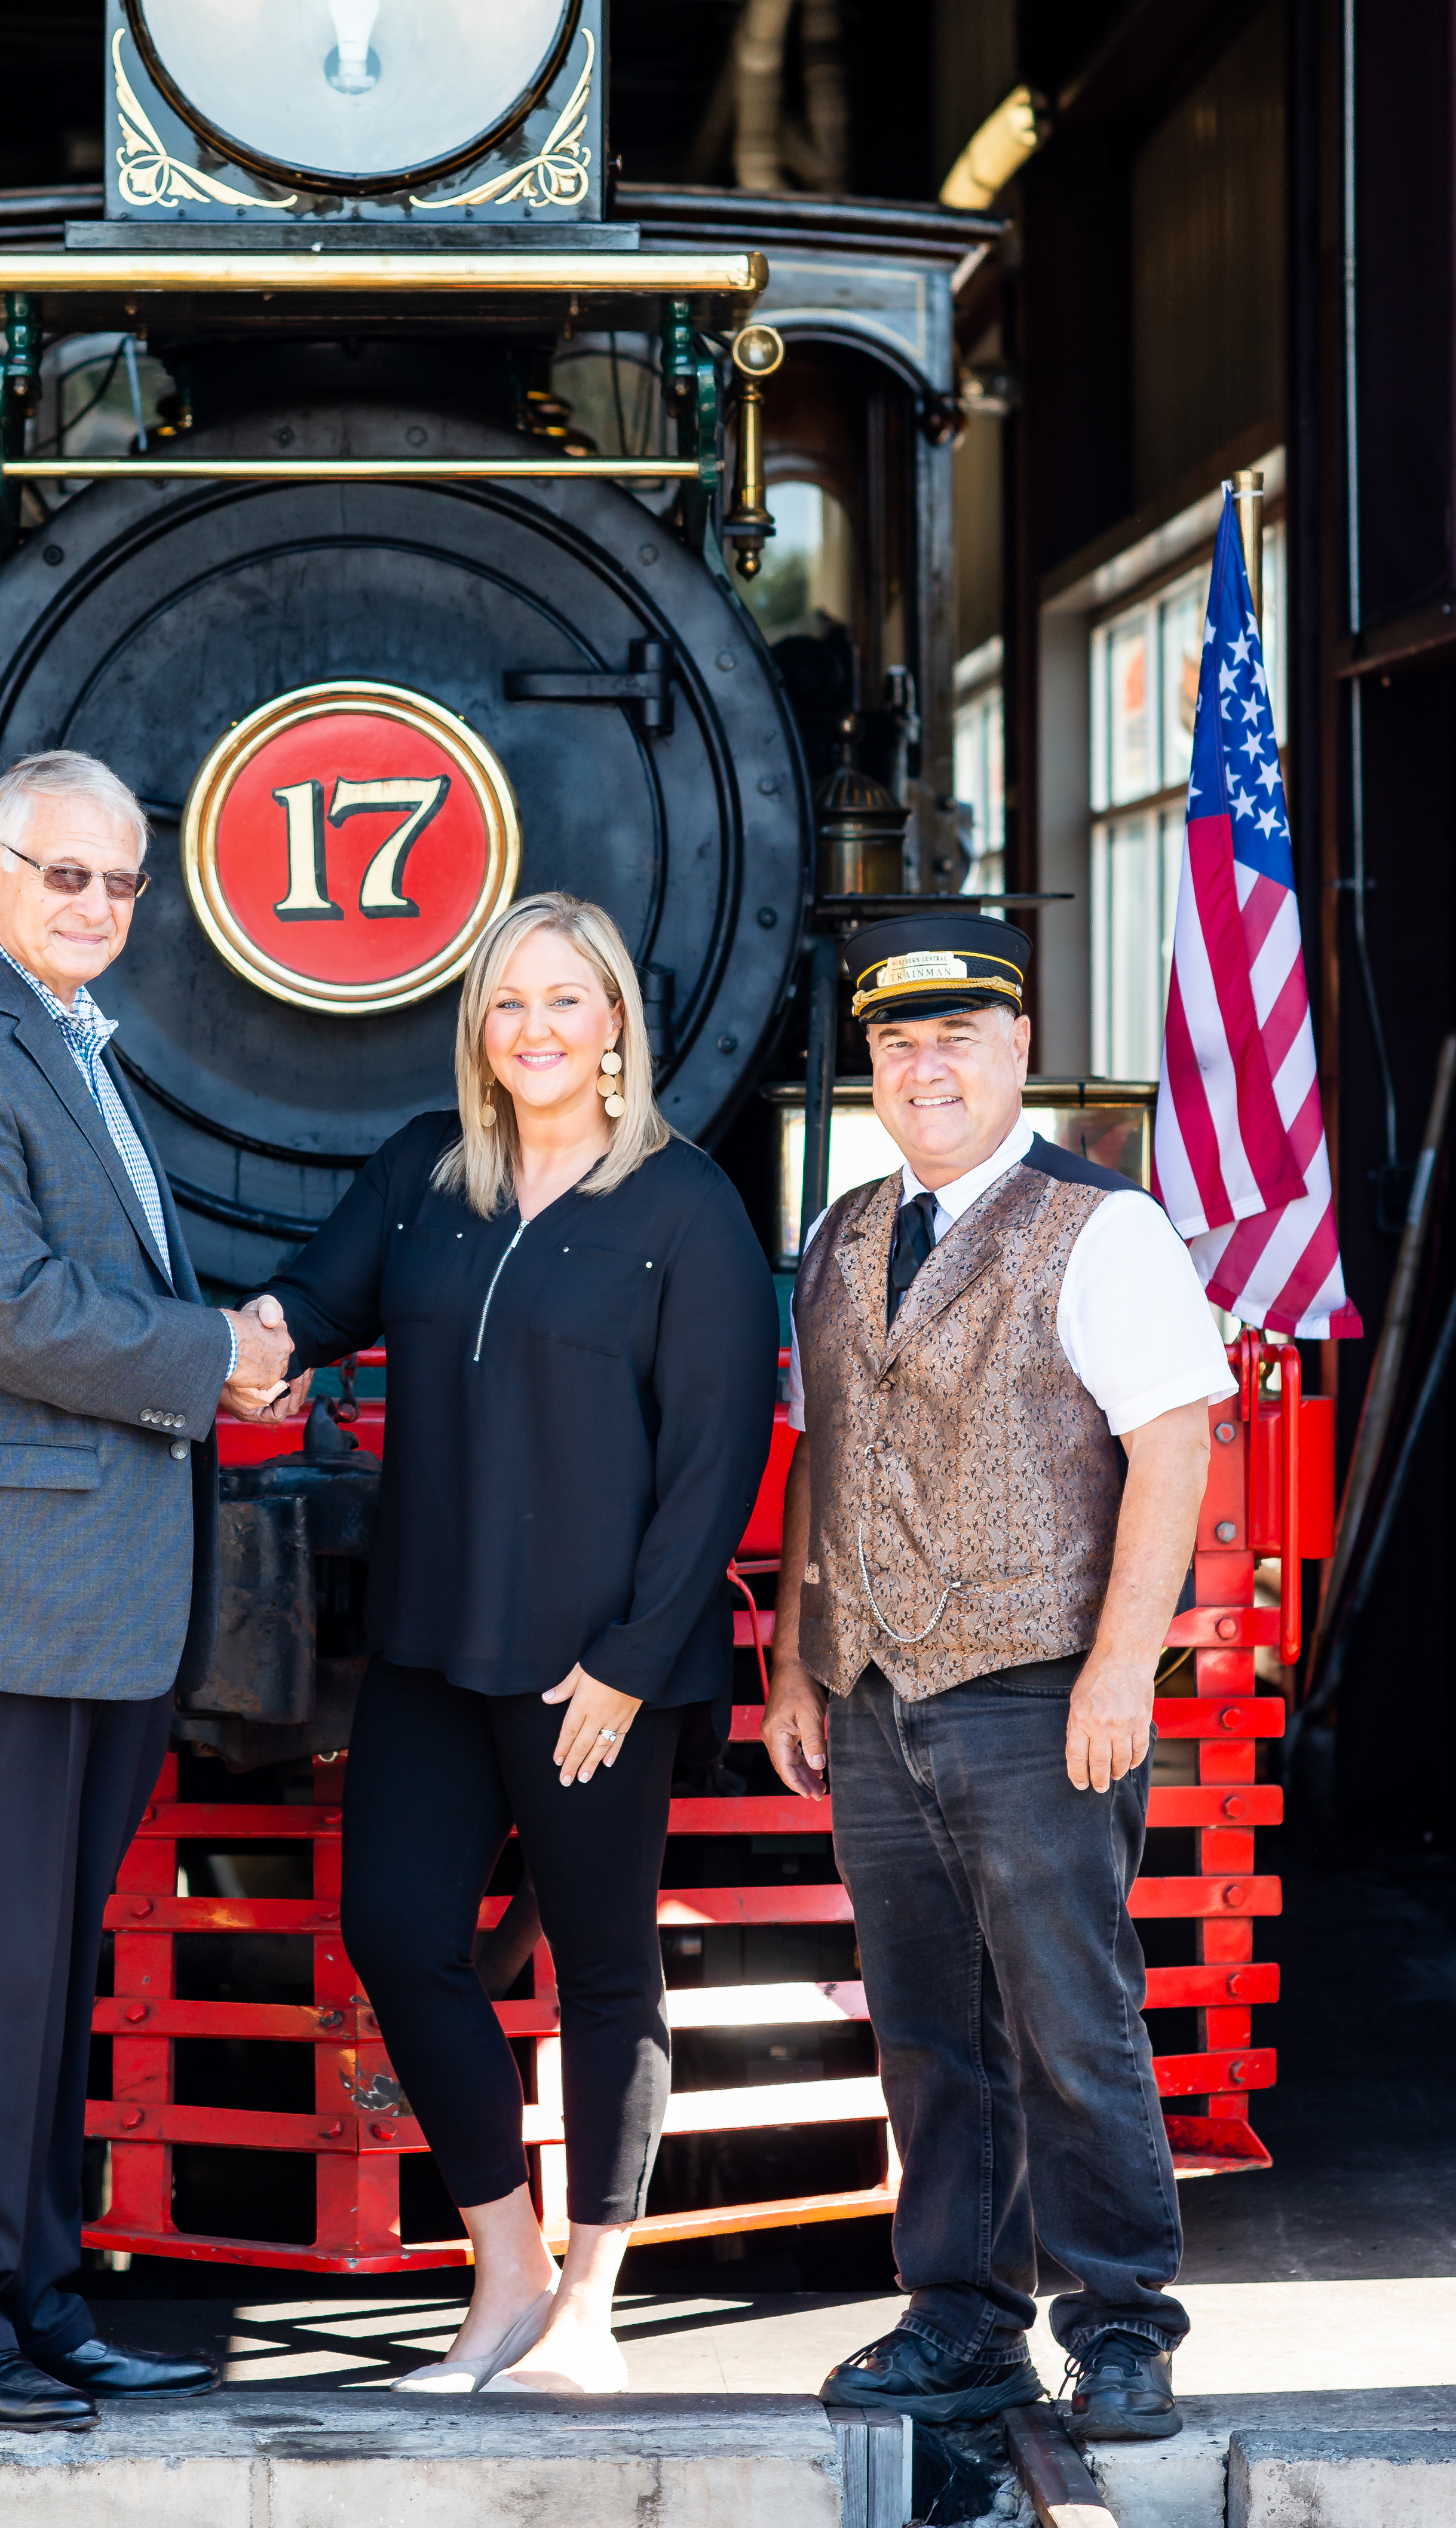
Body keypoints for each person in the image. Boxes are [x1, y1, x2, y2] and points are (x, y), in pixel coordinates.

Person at [0, 748, 295, 2431]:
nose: (95, 902)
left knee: (45, 1961)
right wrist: (216, 1354)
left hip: (79, 1584)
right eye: (63, 872)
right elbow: (12, 1309)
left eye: (120, 880)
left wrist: (228, 1338)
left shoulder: (60, 1033)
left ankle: (32, 2292)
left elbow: (87, 1279)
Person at [258, 890, 776, 2395]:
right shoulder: (426, 1172)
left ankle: (591, 2309)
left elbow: (718, 1456)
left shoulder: (684, 1205)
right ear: (477, 1025)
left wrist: (632, 1659)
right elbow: (310, 1301)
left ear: (616, 1023)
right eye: (508, 1001)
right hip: (431, 1642)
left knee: (605, 1968)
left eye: (565, 999)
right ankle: (506, 2276)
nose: (534, 1026)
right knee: (396, 1930)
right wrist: (231, 1345)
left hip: (593, 1665)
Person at [762, 911, 1236, 2445]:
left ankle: (1122, 2325)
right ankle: (964, 2315)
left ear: (1019, 1045)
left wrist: (1122, 1670)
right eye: (898, 1040)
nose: (927, 1066)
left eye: (958, 1035)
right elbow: (824, 1456)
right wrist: (798, 1660)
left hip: (1039, 1688)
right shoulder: (842, 1231)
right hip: (872, 1688)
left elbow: (1173, 1444)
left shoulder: (1103, 1224)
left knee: (1071, 2016)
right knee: (926, 2024)